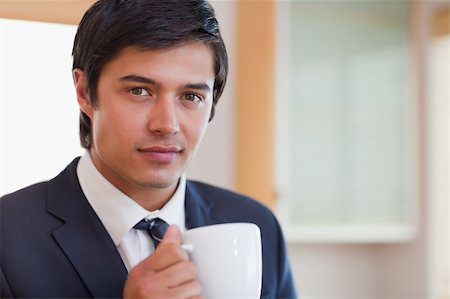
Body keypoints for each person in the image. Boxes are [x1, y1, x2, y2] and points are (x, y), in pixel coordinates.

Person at [0, 1, 296, 298]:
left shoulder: (256, 225)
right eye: (139, 91)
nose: (166, 124)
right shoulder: (8, 237)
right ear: (85, 92)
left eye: (190, 96)